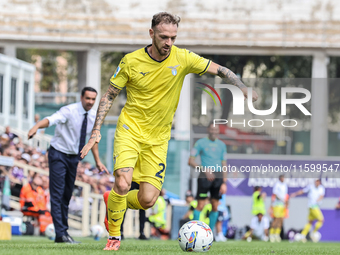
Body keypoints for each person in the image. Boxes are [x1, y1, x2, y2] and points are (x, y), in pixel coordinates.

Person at [80, 12, 258, 251]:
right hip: (129, 131)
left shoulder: (182, 58)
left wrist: (242, 87)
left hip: (158, 140)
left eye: (173, 37)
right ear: (151, 33)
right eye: (164, 37)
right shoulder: (130, 61)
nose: (169, 43)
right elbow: (110, 94)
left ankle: (113, 201)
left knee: (147, 200)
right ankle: (114, 236)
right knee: (122, 183)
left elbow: (220, 70)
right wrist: (96, 130)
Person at [28, 87, 108, 243]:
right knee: (57, 194)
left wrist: (98, 161)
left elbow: (93, 140)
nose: (90, 102)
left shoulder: (93, 117)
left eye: (93, 99)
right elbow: (51, 120)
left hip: (74, 158)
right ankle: (61, 233)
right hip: (58, 154)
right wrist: (36, 126)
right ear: (81, 97)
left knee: (67, 194)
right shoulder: (69, 110)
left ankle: (63, 233)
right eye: (88, 98)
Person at [188, 122, 228, 234]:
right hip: (204, 177)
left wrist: (224, 182)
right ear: (208, 130)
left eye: (216, 130)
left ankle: (209, 233)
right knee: (200, 205)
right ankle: (194, 232)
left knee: (215, 206)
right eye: (212, 129)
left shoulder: (222, 145)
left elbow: (224, 164)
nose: (214, 132)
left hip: (218, 177)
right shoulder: (200, 143)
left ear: (218, 131)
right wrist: (204, 169)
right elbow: (190, 160)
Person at [269, 175, 288, 243]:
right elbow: (275, 194)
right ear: (280, 178)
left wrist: (285, 202)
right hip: (277, 205)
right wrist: (282, 200)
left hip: (282, 205)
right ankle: (271, 234)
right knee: (276, 219)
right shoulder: (277, 185)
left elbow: (285, 195)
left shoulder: (285, 185)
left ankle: (277, 234)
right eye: (282, 177)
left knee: (281, 220)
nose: (283, 179)